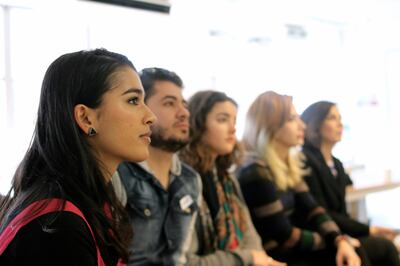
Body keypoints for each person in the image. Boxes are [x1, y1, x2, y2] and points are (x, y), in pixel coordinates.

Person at [0, 48, 156, 265]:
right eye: (132, 100)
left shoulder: (94, 199)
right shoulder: (57, 226)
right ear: (86, 118)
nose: (150, 116)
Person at [236, 91, 361, 266]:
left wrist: (338, 240)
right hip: (276, 256)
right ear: (271, 126)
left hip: (294, 249)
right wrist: (332, 242)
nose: (302, 125)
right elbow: (283, 235)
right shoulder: (255, 172)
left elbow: (314, 209)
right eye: (292, 119)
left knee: (354, 251)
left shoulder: (287, 163)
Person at [180, 90, 286, 266]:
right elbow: (187, 262)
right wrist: (250, 258)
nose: (233, 129)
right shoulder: (183, 179)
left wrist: (263, 260)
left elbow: (249, 234)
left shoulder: (226, 178)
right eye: (222, 120)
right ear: (197, 124)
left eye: (234, 121)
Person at [113, 67, 202, 265]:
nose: (184, 113)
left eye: (184, 104)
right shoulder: (118, 174)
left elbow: (183, 258)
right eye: (170, 103)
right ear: (142, 109)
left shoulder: (191, 180)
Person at [301, 100, 400, 266]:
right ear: (316, 124)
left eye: (340, 118)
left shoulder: (337, 164)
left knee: (386, 246)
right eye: (332, 118)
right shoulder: (306, 161)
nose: (340, 123)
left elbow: (342, 210)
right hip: (324, 236)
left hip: (341, 231)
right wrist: (369, 229)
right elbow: (324, 212)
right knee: (383, 248)